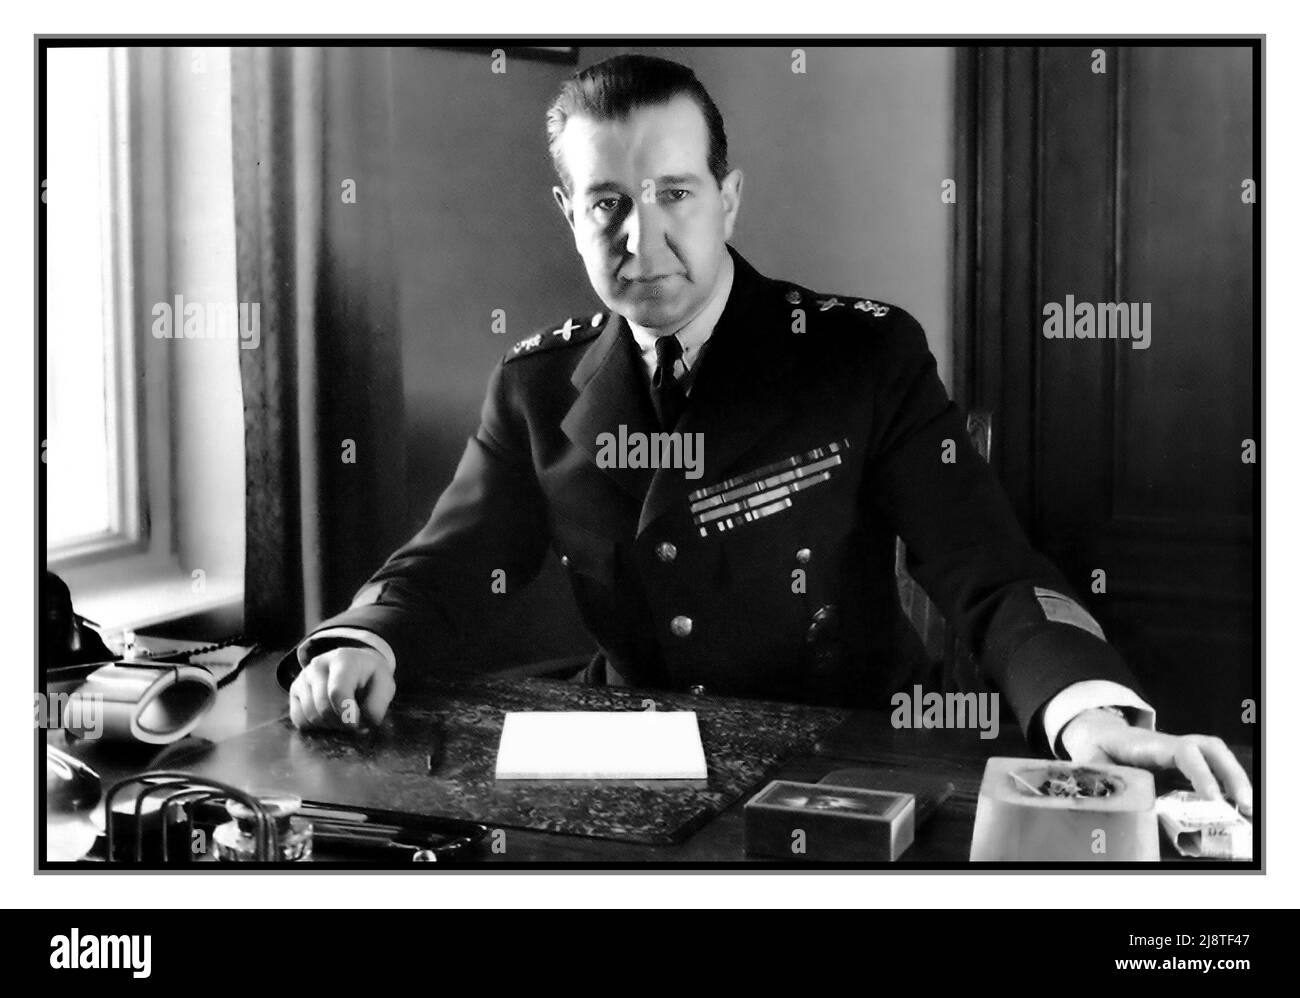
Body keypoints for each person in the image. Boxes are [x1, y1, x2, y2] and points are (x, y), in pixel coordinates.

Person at [285, 54, 1251, 814]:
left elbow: (987, 565)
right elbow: (449, 563)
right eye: (608, 204)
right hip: (626, 765)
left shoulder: (858, 356)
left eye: (675, 193)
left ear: (728, 198)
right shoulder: (537, 384)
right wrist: (364, 640)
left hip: (849, 754)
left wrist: (1089, 714)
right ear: (568, 213)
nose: (642, 238)